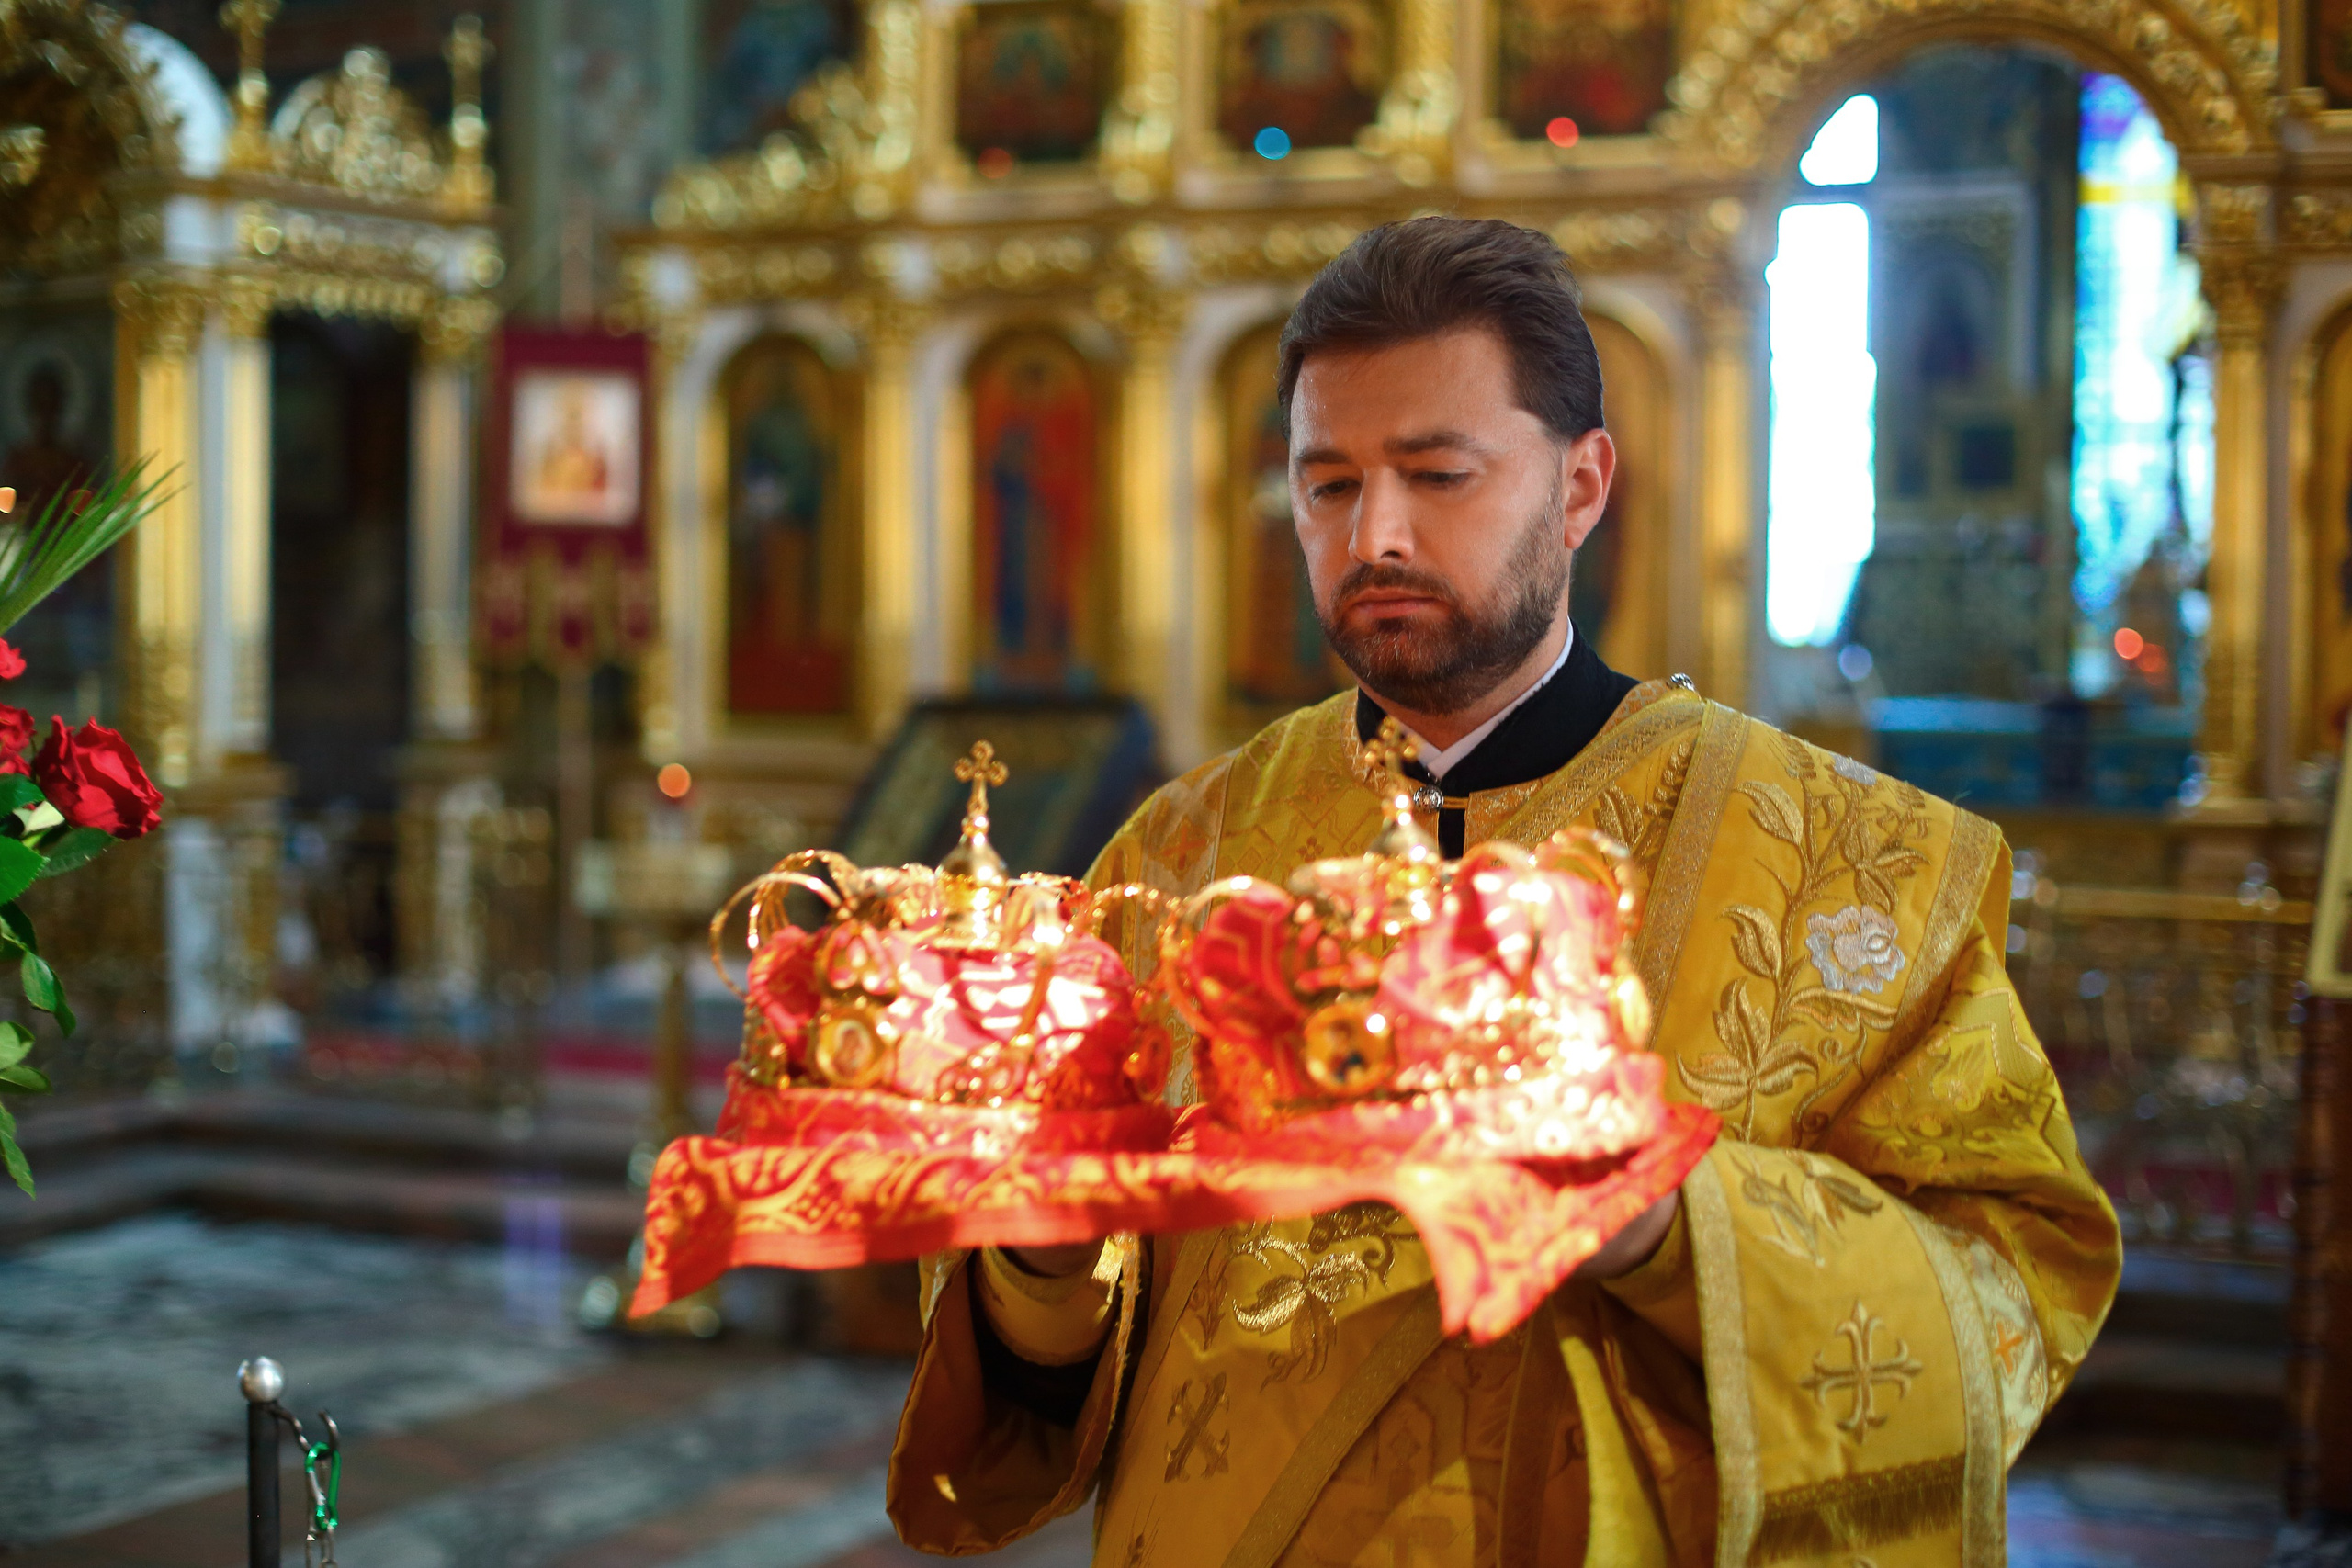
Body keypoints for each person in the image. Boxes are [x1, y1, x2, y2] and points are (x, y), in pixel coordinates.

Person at [884, 216, 2120, 1566]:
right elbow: (1048, 1339)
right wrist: (1045, 1263)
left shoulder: (1851, 866)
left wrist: (1655, 1224)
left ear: (1581, 487)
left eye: (1438, 474)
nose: (1377, 534)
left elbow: (2007, 1294)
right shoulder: (1178, 856)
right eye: (1328, 484)